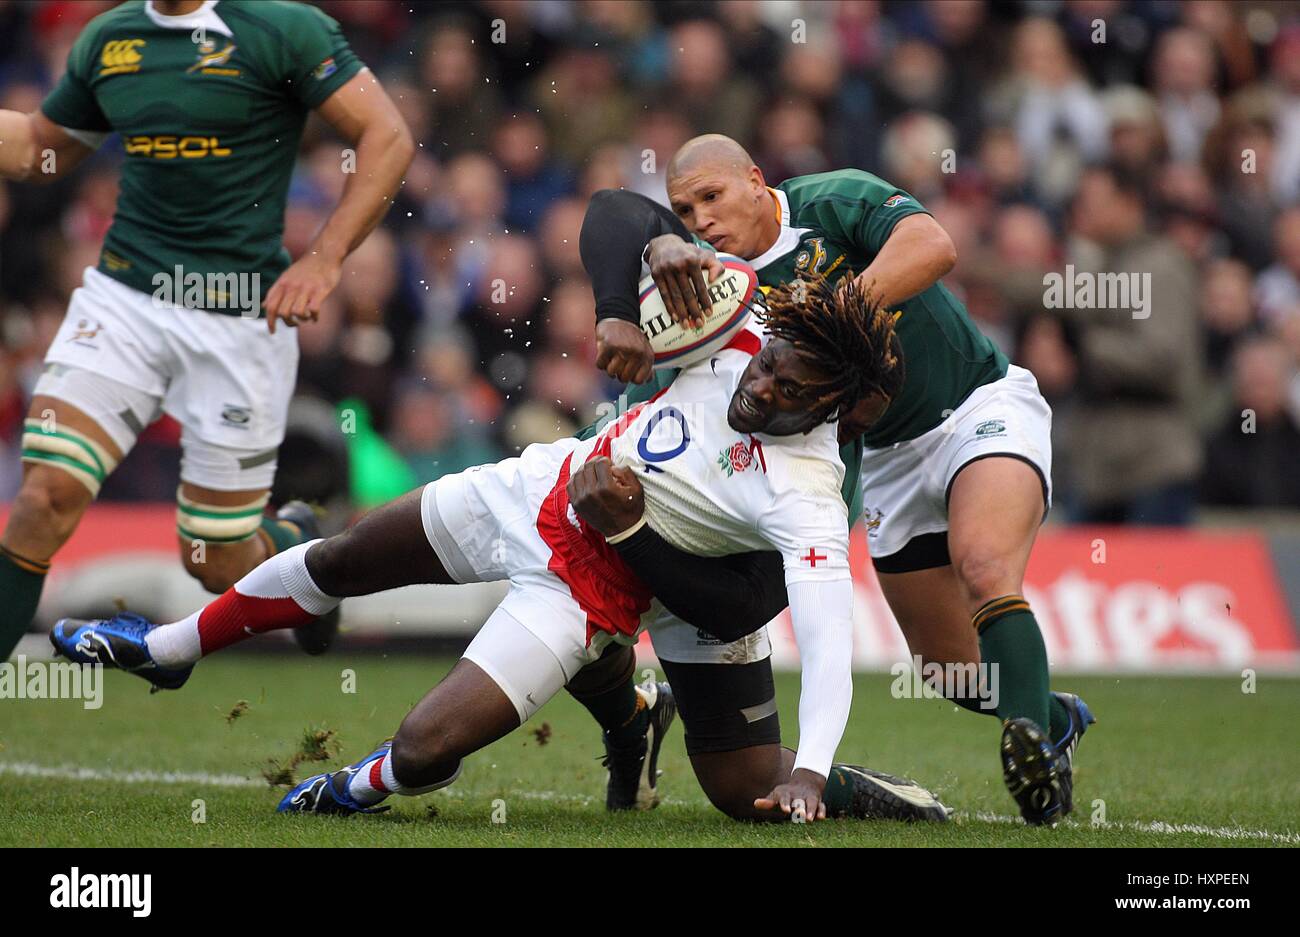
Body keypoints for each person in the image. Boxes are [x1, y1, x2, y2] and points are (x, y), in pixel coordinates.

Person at [51, 272, 946, 824]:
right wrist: (656, 257)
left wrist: (814, 770)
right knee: (341, 558)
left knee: (426, 746)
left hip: (601, 587)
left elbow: (820, 643)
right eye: (765, 366)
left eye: (788, 389)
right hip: (536, 490)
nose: (760, 388)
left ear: (830, 406)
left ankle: (362, 784)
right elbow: (615, 218)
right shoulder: (742, 329)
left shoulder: (810, 496)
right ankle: (169, 649)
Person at [584, 133, 1094, 826]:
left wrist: (828, 315)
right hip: (881, 455)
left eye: (713, 195)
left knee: (983, 564)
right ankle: (1049, 715)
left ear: (758, 181)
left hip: (976, 403)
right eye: (683, 207)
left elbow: (933, 246)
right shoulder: (717, 290)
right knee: (948, 671)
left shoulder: (832, 200)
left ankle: (1031, 751)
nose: (700, 216)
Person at [0, 0, 414, 660]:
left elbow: (387, 136)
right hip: (125, 301)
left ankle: (298, 547)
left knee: (216, 561)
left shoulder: (282, 28)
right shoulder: (111, 38)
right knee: (44, 499)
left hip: (239, 318)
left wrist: (324, 256)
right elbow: (39, 147)